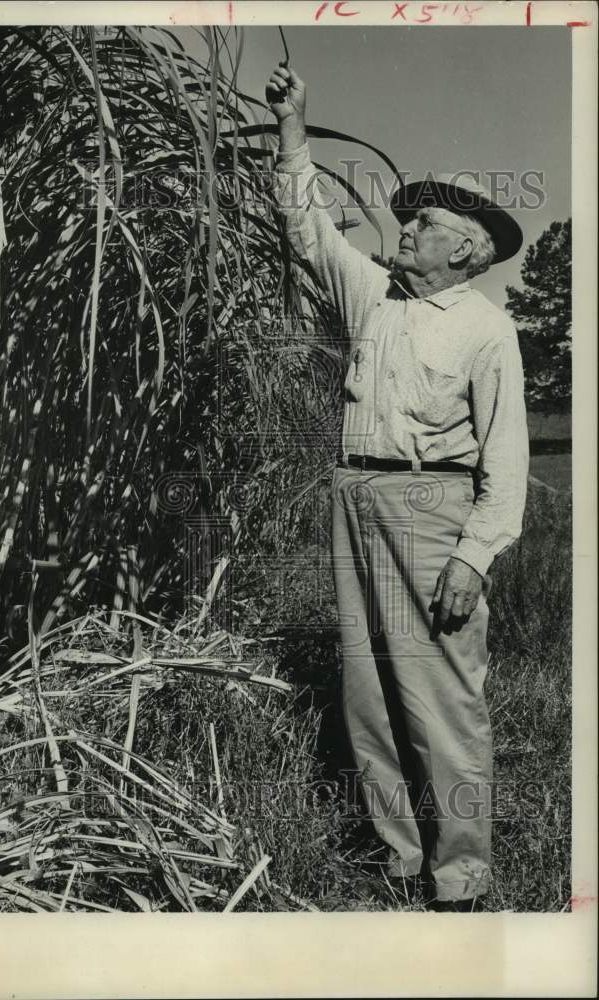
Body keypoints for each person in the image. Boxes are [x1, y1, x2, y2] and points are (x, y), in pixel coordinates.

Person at [266, 64, 529, 911]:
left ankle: (462, 879)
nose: (408, 226)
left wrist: (475, 556)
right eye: (410, 215)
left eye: (428, 220)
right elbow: (306, 229)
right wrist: (294, 128)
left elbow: (507, 458)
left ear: (469, 248)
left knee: (442, 697)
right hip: (354, 497)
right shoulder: (374, 298)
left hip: (434, 510)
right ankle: (397, 857)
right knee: (366, 688)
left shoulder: (488, 330)